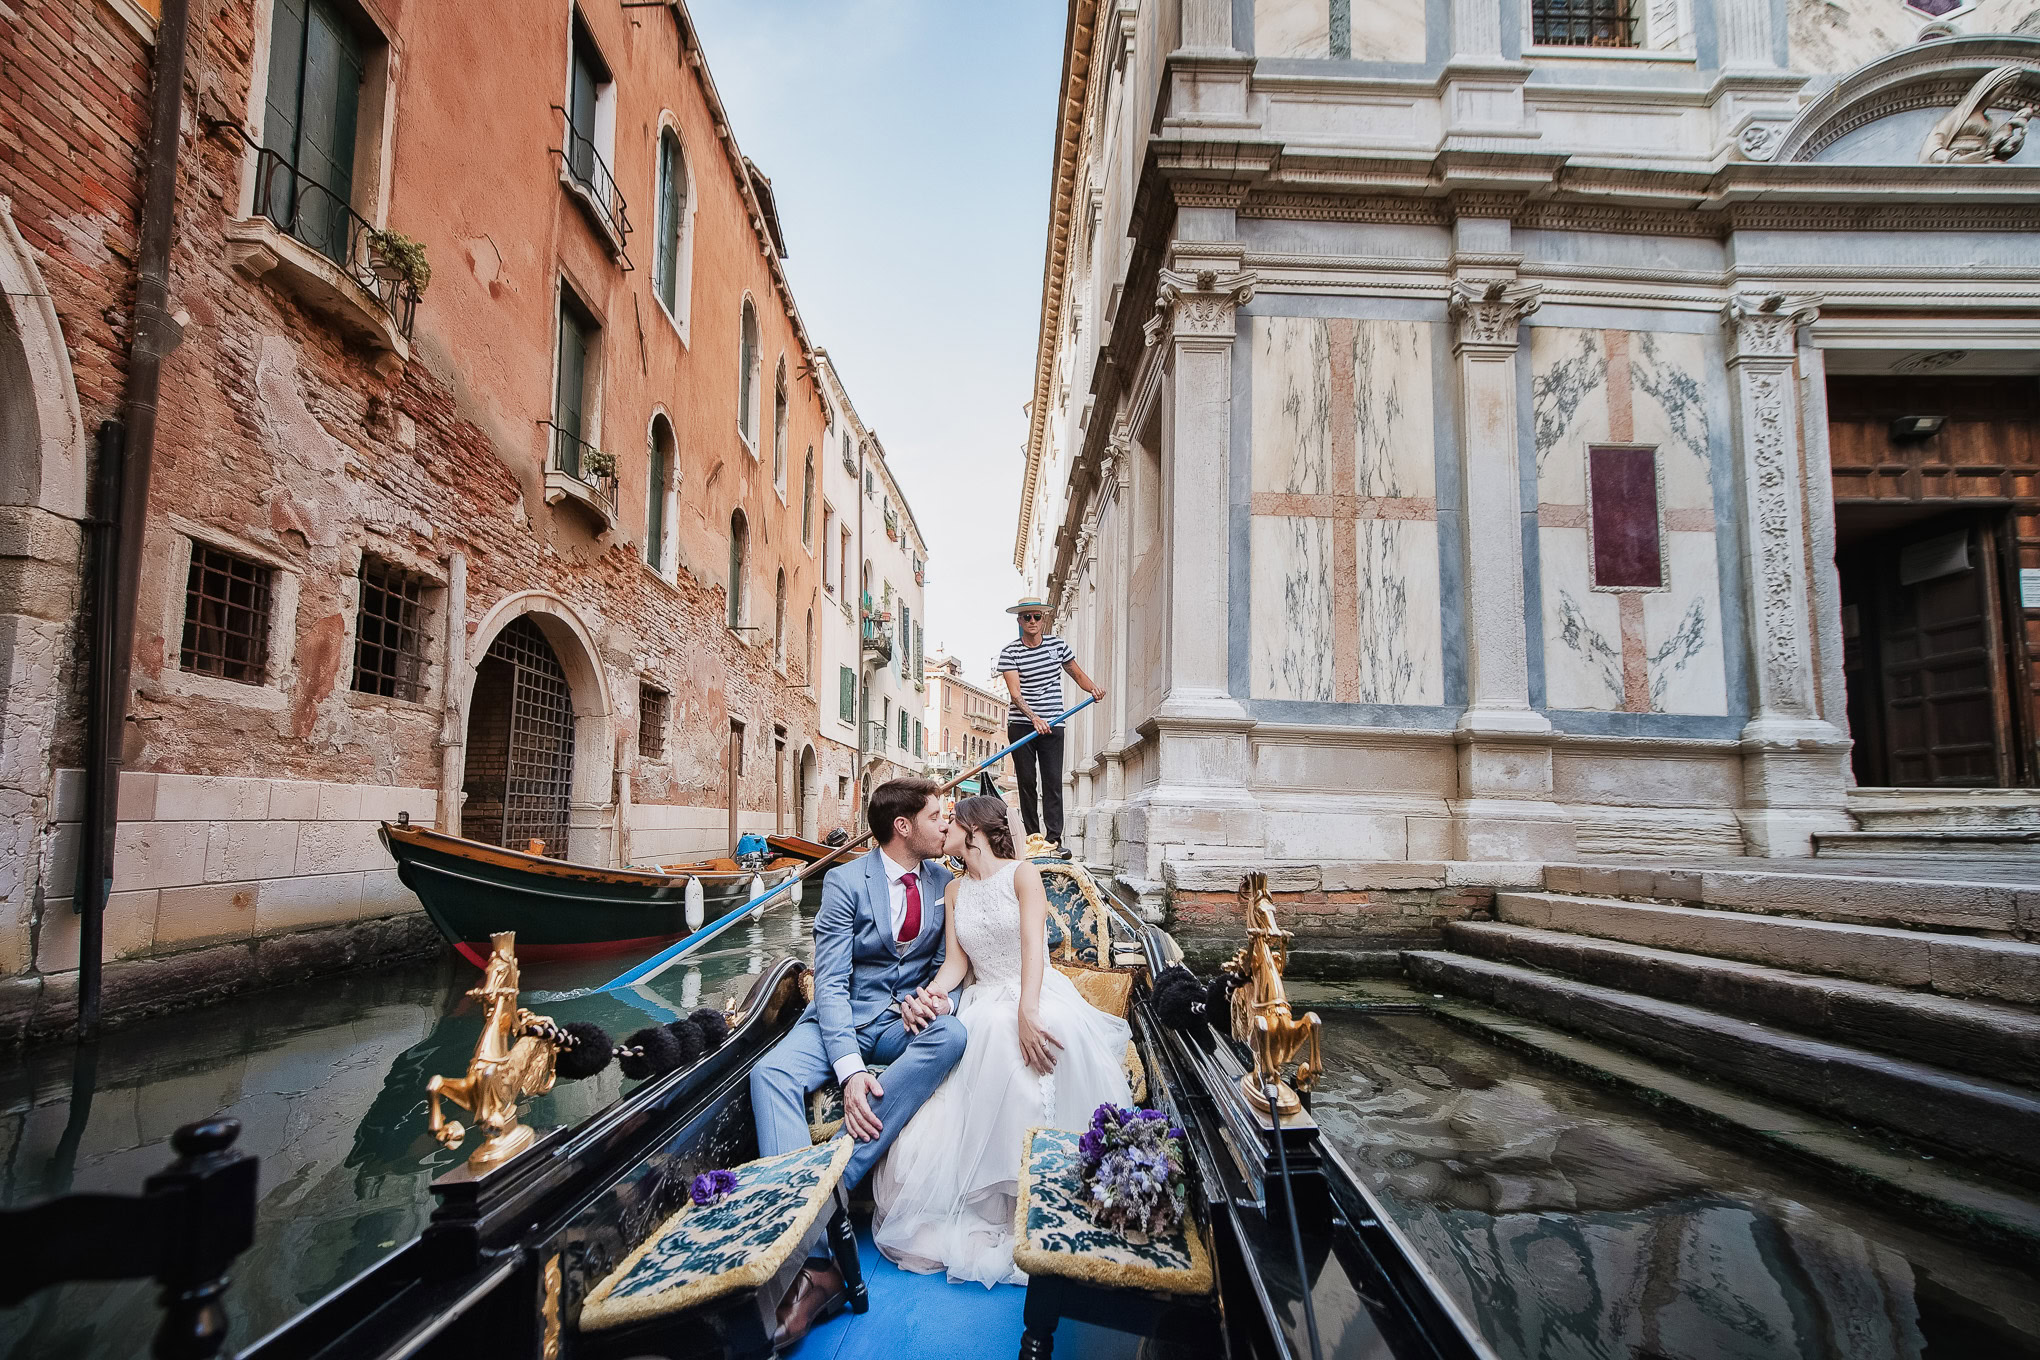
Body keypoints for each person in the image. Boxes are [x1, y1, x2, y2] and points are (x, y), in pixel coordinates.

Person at [870, 794, 1133, 1286]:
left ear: (974, 829)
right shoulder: (953, 890)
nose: (944, 826)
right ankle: (995, 1202)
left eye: (952, 820)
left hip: (1034, 990)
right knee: (980, 1035)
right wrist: (928, 995)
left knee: (1018, 1040)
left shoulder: (1022, 875)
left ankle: (1039, 1194)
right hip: (983, 996)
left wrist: (1026, 1011)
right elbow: (956, 964)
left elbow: (1034, 946)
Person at [749, 777, 966, 1348]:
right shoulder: (844, 881)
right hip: (837, 1020)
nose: (946, 824)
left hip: (901, 1022)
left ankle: (829, 1186)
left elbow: (956, 965)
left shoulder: (946, 882)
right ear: (903, 826)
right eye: (936, 817)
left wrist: (935, 1000)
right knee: (768, 1072)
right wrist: (849, 1072)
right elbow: (833, 985)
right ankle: (814, 1259)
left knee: (951, 1035)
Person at [996, 597, 1105, 856]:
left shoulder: (1058, 646)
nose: (1032, 621)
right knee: (1027, 782)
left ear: (1043, 619)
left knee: (1053, 782)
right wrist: (1034, 718)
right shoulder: (1010, 652)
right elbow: (1015, 694)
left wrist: (1094, 688)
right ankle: (1033, 839)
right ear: (1019, 621)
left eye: (1036, 617)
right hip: (1023, 725)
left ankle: (1054, 841)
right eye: (1026, 617)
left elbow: (1076, 673)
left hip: (1054, 723)